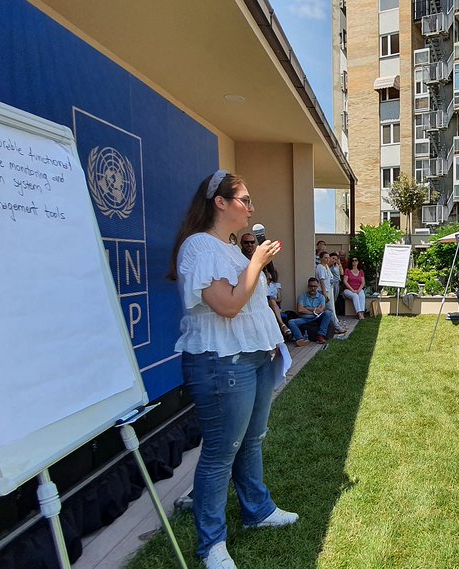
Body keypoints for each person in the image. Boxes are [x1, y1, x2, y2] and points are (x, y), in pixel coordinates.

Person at [169, 170, 298, 569]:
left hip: (253, 357)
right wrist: (256, 262)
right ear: (219, 202)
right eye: (244, 200)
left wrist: (271, 342)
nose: (251, 208)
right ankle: (211, 545)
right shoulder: (197, 247)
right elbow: (227, 304)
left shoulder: (227, 248)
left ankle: (257, 510)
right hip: (221, 362)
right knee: (220, 453)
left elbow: (252, 305)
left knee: (253, 439)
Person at [240, 232, 291, 337]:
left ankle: (282, 327)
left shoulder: (261, 258)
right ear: (241, 243)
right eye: (246, 242)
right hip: (245, 298)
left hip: (261, 298)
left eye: (252, 242)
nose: (249, 244)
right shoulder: (238, 258)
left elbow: (272, 275)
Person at [288, 277, 331, 346]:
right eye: (311, 286)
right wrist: (314, 311)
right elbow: (300, 310)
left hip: (317, 318)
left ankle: (320, 335)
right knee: (291, 322)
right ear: (308, 286)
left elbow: (321, 310)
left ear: (317, 287)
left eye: (315, 286)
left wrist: (307, 308)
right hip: (304, 319)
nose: (313, 288)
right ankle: (300, 339)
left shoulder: (321, 297)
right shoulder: (302, 296)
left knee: (328, 313)